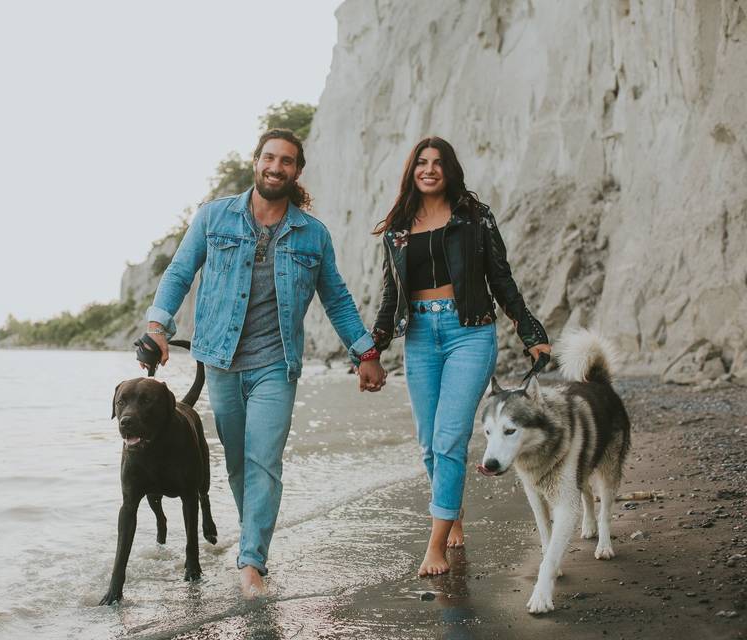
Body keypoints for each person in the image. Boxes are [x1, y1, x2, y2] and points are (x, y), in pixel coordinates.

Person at [144, 128, 387, 597]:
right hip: (221, 360)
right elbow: (179, 271)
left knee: (264, 460)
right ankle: (253, 542)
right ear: (256, 161)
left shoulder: (311, 234)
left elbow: (335, 299)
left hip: (276, 362)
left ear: (297, 171)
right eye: (269, 158)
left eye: (287, 161)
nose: (277, 167)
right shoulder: (214, 216)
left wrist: (366, 354)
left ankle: (251, 560)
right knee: (237, 464)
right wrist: (158, 326)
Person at [371, 136, 550, 576]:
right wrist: (371, 350)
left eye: (438, 163)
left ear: (450, 170)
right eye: (421, 163)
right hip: (419, 336)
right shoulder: (397, 227)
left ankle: (436, 547)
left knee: (449, 438)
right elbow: (391, 294)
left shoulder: (474, 217)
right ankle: (452, 511)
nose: (429, 169)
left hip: (468, 332)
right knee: (429, 444)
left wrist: (530, 331)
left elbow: (501, 278)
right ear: (411, 170)